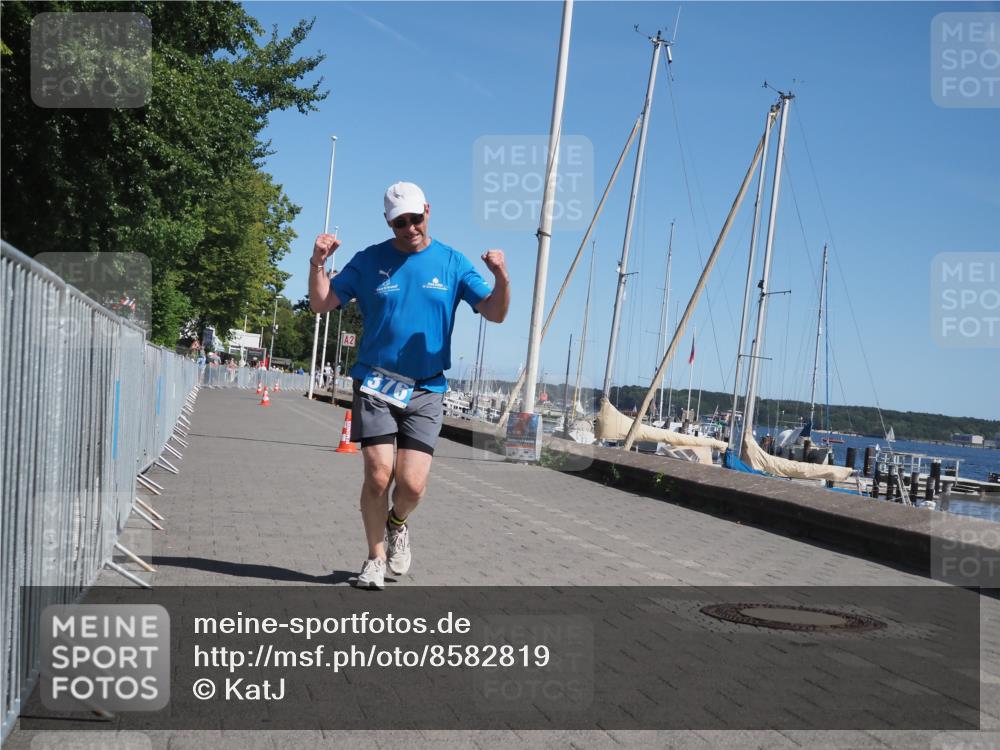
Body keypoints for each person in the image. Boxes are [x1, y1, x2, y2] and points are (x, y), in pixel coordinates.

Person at [309, 181, 509, 589]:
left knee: (412, 485)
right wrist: (316, 264)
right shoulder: (369, 260)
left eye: (415, 218)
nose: (409, 227)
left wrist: (501, 276)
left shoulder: (451, 262)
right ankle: (374, 559)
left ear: (427, 212)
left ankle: (397, 523)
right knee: (379, 475)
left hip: (426, 388)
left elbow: (496, 312)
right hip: (376, 382)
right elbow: (321, 303)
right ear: (389, 222)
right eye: (400, 222)